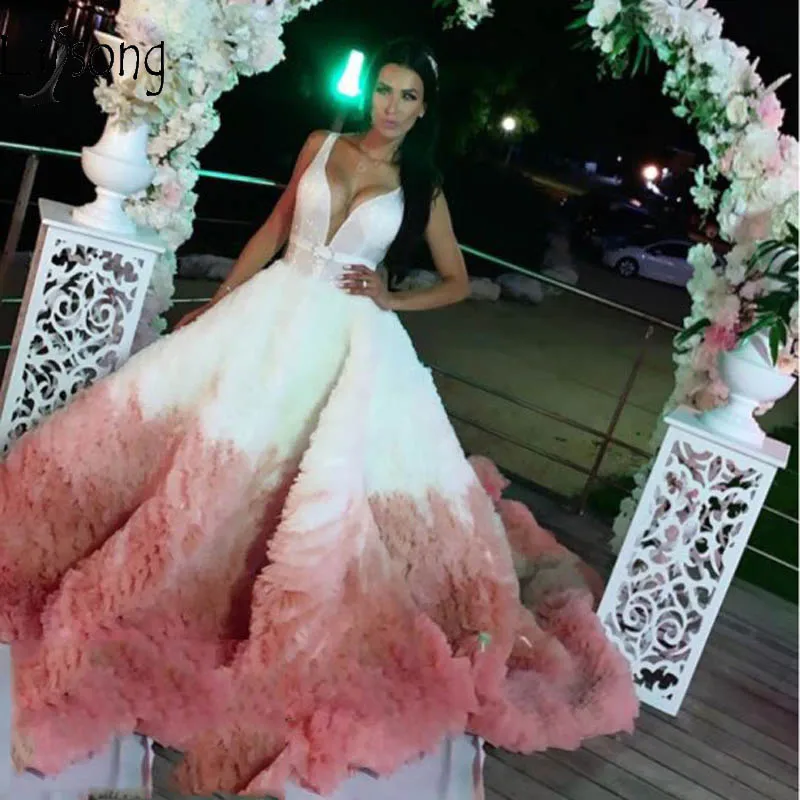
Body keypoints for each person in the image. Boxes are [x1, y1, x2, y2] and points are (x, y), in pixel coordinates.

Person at [0, 38, 638, 799]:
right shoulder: (321, 143)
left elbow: (458, 280)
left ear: (424, 110)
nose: (392, 106)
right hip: (271, 311)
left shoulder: (421, 185)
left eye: (407, 96)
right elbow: (273, 231)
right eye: (385, 90)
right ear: (371, 92)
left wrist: (391, 296)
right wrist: (219, 300)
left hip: (348, 337)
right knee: (207, 444)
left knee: (312, 474)